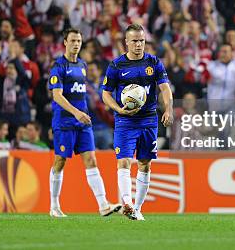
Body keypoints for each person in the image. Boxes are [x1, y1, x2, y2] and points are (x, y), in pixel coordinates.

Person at [101, 24, 173, 221]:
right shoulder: (116, 65)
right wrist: (118, 109)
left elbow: (165, 89)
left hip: (149, 119)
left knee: (145, 164)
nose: (139, 44)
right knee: (123, 161)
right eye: (134, 41)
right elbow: (106, 94)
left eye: (141, 40)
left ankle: (138, 208)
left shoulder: (154, 62)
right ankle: (127, 202)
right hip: (125, 120)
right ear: (126, 42)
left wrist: (168, 108)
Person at [48, 28, 121, 218]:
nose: (76, 44)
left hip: (83, 122)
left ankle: (103, 205)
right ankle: (54, 206)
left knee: (91, 159)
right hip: (65, 121)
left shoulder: (82, 65)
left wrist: (82, 114)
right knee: (60, 161)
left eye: (79, 41)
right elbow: (56, 95)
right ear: (65, 42)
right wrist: (75, 112)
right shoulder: (58, 67)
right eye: (72, 41)